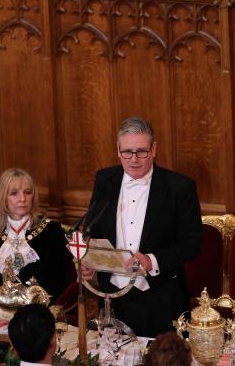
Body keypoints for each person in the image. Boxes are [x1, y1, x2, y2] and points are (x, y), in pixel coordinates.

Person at [81, 116, 202, 338]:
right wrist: (90, 261)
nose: (134, 159)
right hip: (113, 296)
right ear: (118, 150)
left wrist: (152, 260)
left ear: (154, 149)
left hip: (161, 297)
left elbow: (192, 244)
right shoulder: (104, 179)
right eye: (127, 152)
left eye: (141, 151)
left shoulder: (180, 187)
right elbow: (94, 230)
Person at [0, 168, 75, 300]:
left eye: (27, 192)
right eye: (14, 193)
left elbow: (62, 281)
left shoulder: (51, 231)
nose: (22, 199)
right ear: (3, 198)